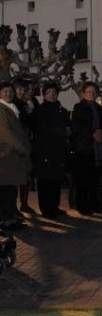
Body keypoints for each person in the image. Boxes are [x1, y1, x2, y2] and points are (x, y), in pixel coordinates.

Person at [31, 82, 70, 218]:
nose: (52, 95)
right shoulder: (39, 111)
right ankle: (46, 209)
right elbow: (40, 131)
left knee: (56, 180)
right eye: (49, 93)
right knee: (45, 181)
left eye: (54, 93)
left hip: (58, 151)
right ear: (44, 95)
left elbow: (67, 127)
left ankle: (54, 206)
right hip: (44, 151)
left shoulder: (62, 110)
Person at [70, 82, 102, 215]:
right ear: (83, 93)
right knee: (83, 179)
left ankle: (94, 204)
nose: (91, 94)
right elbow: (77, 127)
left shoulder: (99, 108)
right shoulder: (79, 107)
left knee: (95, 178)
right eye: (88, 92)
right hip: (84, 147)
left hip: (97, 148)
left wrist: (101, 132)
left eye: (93, 92)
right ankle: (82, 206)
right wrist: (93, 133)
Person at [0, 81, 31, 231]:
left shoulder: (11, 108)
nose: (8, 93)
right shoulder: (1, 109)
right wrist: (21, 147)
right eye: (5, 91)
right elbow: (6, 133)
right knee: (6, 190)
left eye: (10, 91)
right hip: (6, 156)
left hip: (12, 156)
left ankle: (11, 218)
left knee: (11, 190)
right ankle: (6, 220)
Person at [12, 77, 36, 215]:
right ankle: (14, 207)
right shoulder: (12, 104)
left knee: (26, 176)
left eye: (24, 89)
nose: (21, 92)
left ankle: (24, 204)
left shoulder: (29, 103)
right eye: (19, 89)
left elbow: (33, 123)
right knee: (15, 178)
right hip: (15, 145)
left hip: (27, 143)